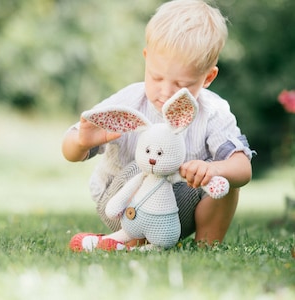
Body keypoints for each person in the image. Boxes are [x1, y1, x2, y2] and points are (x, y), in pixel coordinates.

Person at [62, 0, 255, 251]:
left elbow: (243, 168)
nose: (165, 92)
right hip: (121, 203)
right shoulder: (130, 100)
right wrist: (80, 143)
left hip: (178, 208)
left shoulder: (213, 111)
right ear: (146, 58)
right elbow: (69, 150)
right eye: (156, 77)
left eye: (180, 84)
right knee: (143, 166)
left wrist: (214, 169)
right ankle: (130, 239)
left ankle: (206, 247)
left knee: (224, 182)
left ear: (207, 77)